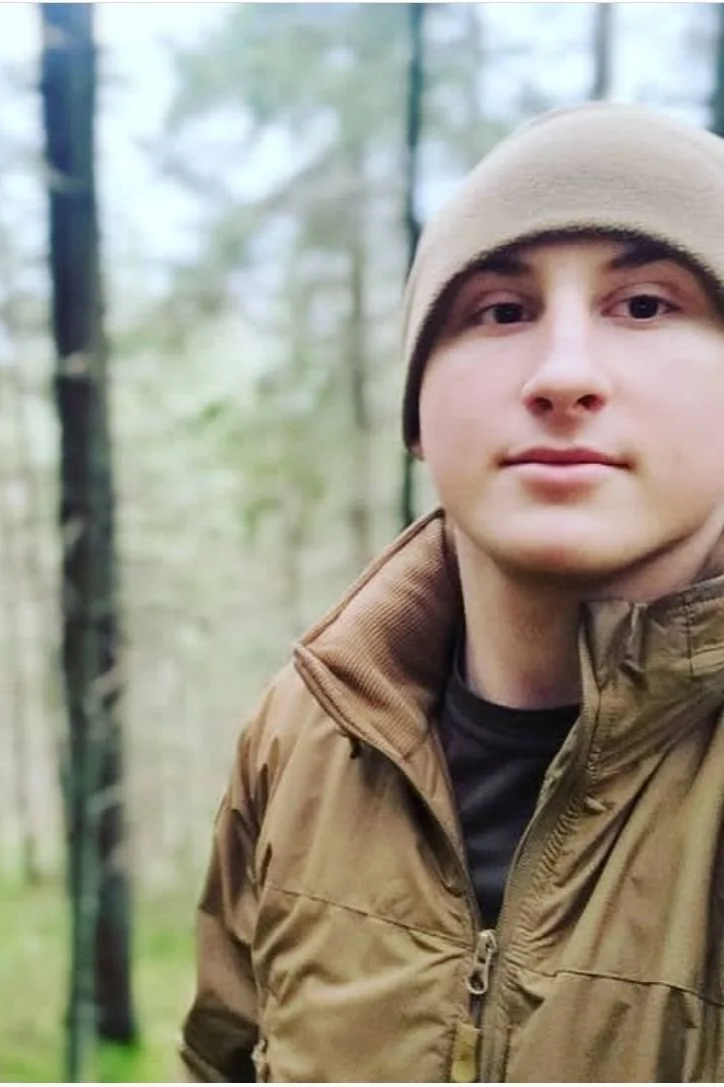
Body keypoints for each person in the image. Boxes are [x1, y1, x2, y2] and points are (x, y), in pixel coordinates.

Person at [180, 102, 724, 1082]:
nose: (563, 374)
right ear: (418, 410)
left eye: (645, 305)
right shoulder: (307, 735)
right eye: (501, 311)